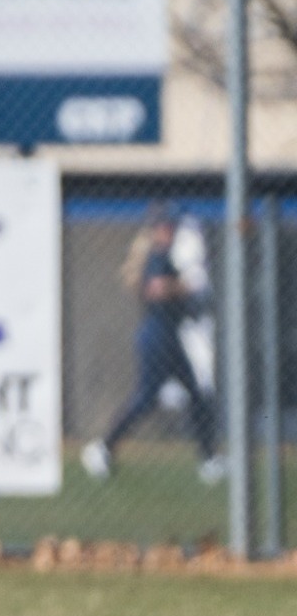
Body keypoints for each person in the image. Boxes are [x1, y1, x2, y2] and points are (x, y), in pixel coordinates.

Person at [82, 202, 223, 485]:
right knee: (147, 398)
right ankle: (102, 447)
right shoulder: (157, 256)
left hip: (169, 336)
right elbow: (158, 289)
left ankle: (208, 460)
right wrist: (189, 285)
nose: (170, 231)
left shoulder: (166, 256)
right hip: (158, 337)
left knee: (195, 395)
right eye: (165, 226)